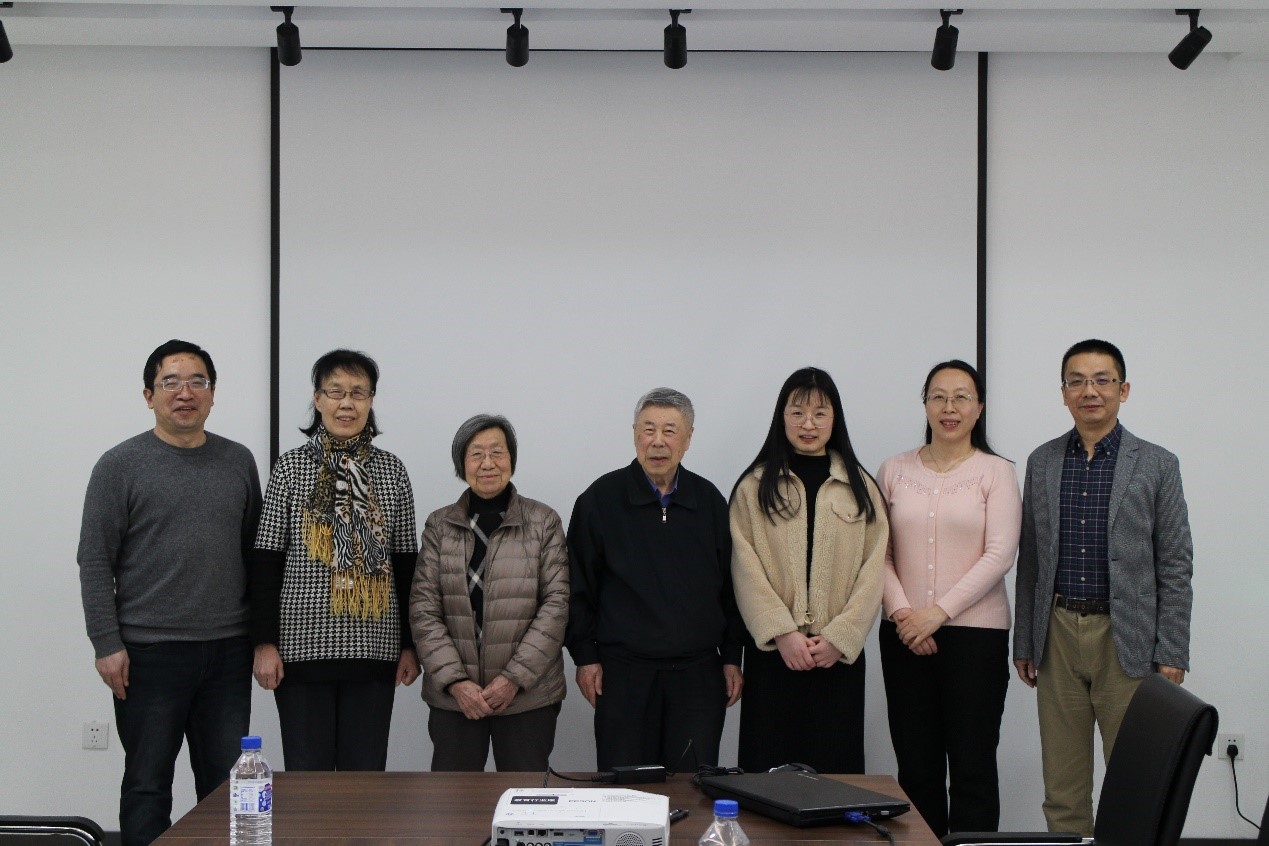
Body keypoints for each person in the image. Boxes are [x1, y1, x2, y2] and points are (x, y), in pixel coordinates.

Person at [77, 339, 262, 846]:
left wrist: (259, 637)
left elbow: (254, 553)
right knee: (147, 785)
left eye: (198, 381)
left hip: (227, 653)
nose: (186, 393)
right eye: (171, 382)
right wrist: (106, 644)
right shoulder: (119, 465)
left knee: (227, 788)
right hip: (148, 654)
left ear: (212, 393)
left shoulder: (238, 461)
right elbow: (94, 560)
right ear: (148, 395)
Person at [1014, 339, 1194, 835]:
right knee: (1063, 789)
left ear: (1123, 389)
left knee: (1135, 783)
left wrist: (1171, 650)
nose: (1089, 391)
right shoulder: (1043, 461)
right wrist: (1025, 640)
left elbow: (1175, 563)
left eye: (1102, 380)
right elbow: (1031, 559)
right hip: (1056, 636)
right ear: (1064, 393)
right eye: (1077, 381)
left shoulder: (1157, 463)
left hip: (1127, 639)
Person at [250, 349, 420, 771]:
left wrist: (410, 645)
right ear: (318, 398)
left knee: (365, 778)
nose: (347, 403)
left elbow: (406, 564)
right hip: (301, 647)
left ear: (371, 400)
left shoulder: (392, 471)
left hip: (375, 645)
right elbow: (267, 560)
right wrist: (264, 643)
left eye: (358, 393)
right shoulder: (290, 468)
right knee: (308, 779)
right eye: (336, 392)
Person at [566, 387, 745, 771]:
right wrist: (585, 657)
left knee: (692, 786)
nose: (658, 441)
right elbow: (576, 587)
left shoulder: (709, 502)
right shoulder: (600, 500)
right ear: (635, 434)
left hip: (698, 676)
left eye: (670, 430)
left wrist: (732, 656)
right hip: (623, 675)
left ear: (688, 438)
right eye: (648, 430)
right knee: (625, 789)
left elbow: (732, 589)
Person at [876, 360, 1020, 835]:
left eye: (961, 397)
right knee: (916, 767)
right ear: (925, 405)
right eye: (938, 396)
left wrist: (936, 614)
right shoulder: (893, 469)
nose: (949, 407)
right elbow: (877, 552)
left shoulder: (996, 472)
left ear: (979, 408)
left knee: (972, 766)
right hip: (904, 635)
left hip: (976, 639)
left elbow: (1000, 554)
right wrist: (904, 615)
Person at [729, 367, 887, 774]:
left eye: (820, 413)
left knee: (834, 776)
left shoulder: (860, 487)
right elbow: (744, 566)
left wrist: (840, 637)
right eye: (797, 413)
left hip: (836, 660)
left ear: (835, 419)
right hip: (774, 657)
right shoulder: (754, 486)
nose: (808, 424)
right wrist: (782, 632)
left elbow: (874, 570)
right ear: (782, 418)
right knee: (767, 777)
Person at [410, 414, 570, 771]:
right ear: (461, 463)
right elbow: (423, 609)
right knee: (454, 799)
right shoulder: (439, 525)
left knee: (526, 799)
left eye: (497, 452)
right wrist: (456, 682)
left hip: (527, 696)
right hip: (456, 700)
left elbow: (556, 606)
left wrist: (512, 679)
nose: (487, 463)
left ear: (511, 459)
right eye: (476, 454)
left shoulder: (544, 521)